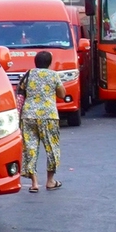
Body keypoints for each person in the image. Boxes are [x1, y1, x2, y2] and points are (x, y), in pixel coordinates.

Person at [19, 50, 71, 192]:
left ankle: (34, 183)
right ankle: (50, 181)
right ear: (49, 62)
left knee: (30, 148)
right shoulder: (53, 75)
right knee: (51, 148)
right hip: (48, 116)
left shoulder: (28, 74)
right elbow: (62, 94)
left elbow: (21, 92)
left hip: (28, 115)